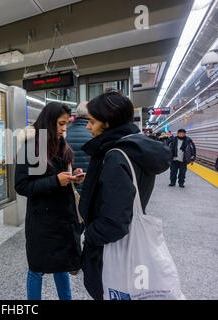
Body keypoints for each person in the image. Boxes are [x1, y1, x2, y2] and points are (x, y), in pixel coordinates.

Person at [78, 92, 171, 300]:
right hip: (131, 243)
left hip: (111, 252)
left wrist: (88, 235)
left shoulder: (115, 156)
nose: (87, 127)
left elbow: (114, 222)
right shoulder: (136, 149)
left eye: (92, 121)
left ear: (108, 123)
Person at [15, 102, 84, 300]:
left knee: (62, 265)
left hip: (63, 217)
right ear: (48, 122)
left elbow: (61, 179)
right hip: (42, 222)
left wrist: (74, 177)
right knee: (37, 269)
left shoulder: (62, 146)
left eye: (66, 124)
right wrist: (56, 181)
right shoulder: (30, 147)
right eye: (61, 123)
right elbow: (22, 186)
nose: (64, 128)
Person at [65, 101, 92, 195]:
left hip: (69, 190)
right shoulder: (95, 135)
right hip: (91, 191)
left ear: (76, 114)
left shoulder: (64, 135)